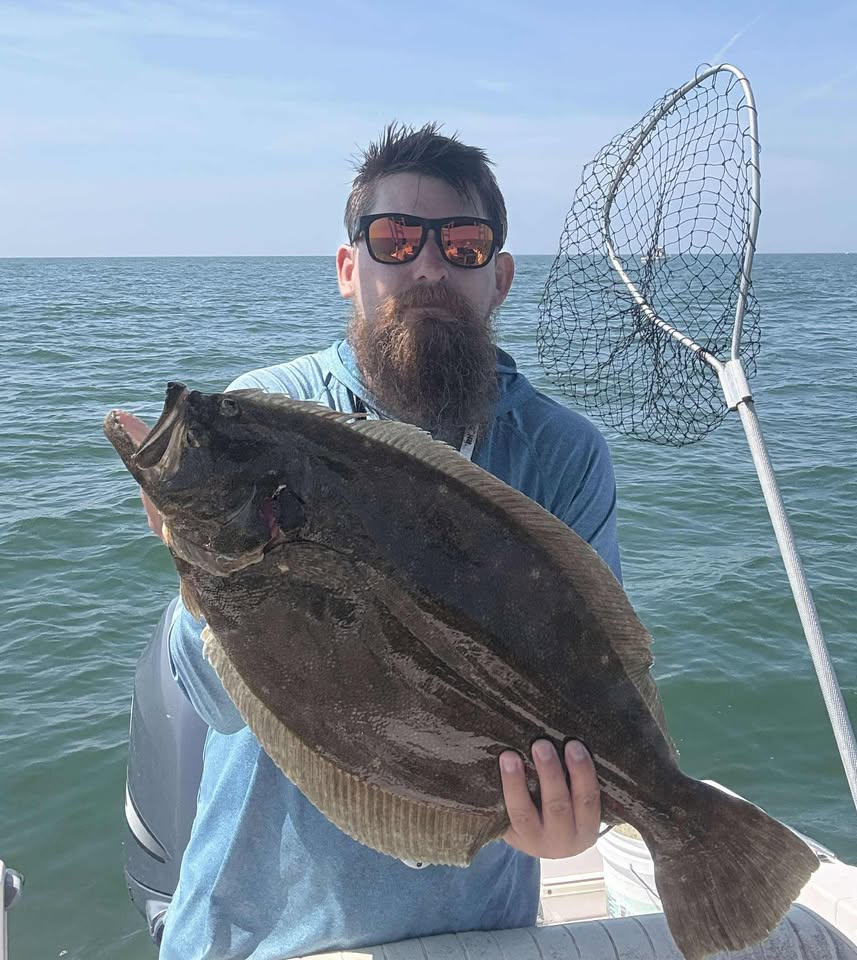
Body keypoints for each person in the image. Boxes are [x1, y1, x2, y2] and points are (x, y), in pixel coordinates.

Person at [126, 122, 623, 960]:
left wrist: (578, 814)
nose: (427, 268)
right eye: (394, 239)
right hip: (257, 934)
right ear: (348, 268)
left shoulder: (561, 453)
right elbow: (213, 702)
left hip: (478, 933)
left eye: (462, 245)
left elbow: (594, 687)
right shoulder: (268, 418)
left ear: (499, 278)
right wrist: (205, 577)